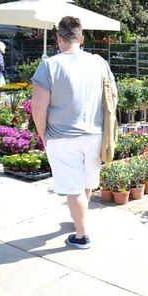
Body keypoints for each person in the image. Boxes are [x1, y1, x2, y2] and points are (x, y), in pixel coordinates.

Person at [31, 16, 117, 249]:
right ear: (81, 38)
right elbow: (112, 98)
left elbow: (38, 106)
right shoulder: (99, 63)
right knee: (86, 182)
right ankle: (80, 220)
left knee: (73, 188)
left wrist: (43, 135)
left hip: (62, 136)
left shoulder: (49, 65)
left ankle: (82, 236)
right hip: (95, 134)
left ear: (58, 38)